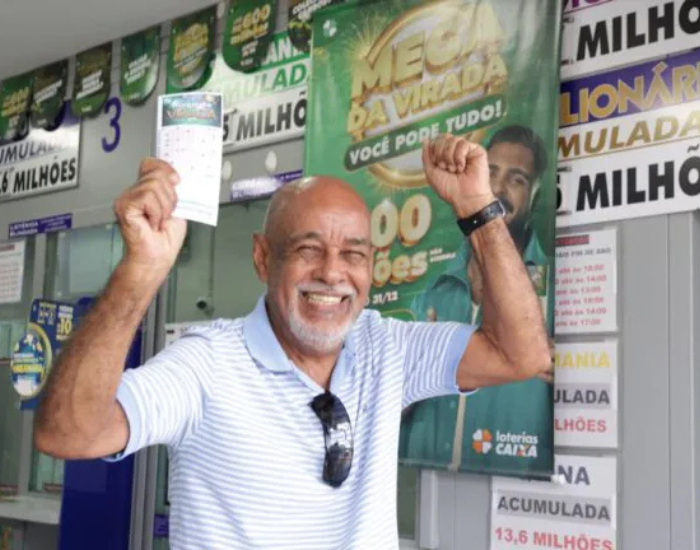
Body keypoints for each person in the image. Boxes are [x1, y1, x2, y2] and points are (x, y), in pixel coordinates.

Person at [33, 134, 550, 549]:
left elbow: (521, 354)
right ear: (263, 258)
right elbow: (68, 433)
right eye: (308, 249)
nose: (332, 273)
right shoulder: (207, 364)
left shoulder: (387, 348)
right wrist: (141, 269)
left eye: (353, 254)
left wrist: (479, 209)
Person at [399, 125, 555, 474]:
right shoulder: (432, 291)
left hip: (517, 491)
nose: (497, 188)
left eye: (517, 179)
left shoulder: (557, 292)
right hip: (423, 485)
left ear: (535, 195)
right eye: (491, 173)